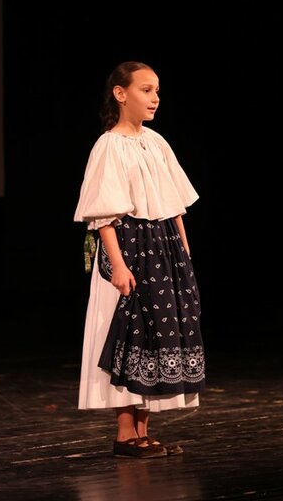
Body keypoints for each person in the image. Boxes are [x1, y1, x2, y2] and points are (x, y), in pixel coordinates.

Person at [74, 61, 206, 458]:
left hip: (164, 248)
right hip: (130, 247)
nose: (155, 98)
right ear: (121, 94)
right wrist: (117, 265)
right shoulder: (109, 145)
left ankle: (144, 431)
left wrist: (185, 254)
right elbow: (103, 214)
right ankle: (124, 433)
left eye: (157, 91)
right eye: (146, 90)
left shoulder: (157, 142)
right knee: (128, 334)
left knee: (156, 336)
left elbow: (175, 205)